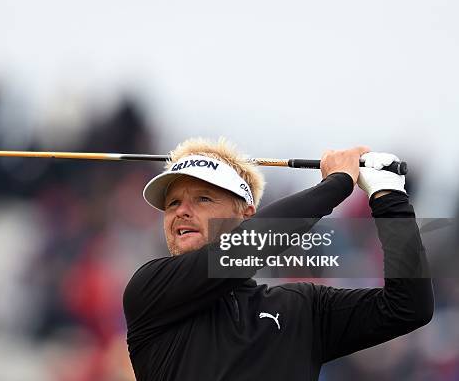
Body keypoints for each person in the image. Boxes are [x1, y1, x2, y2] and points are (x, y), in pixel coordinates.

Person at [123, 138, 433, 381]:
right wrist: (337, 183)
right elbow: (241, 250)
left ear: (245, 214)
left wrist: (390, 198)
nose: (181, 211)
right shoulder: (150, 290)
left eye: (203, 198)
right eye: (173, 202)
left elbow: (407, 307)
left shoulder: (302, 307)